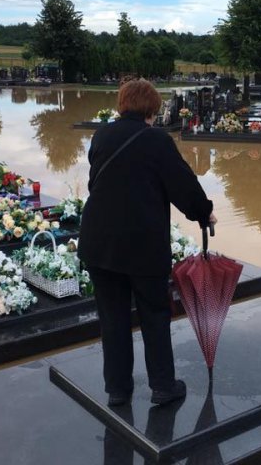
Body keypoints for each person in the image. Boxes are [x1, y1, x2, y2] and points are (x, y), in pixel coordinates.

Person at [78, 79, 216, 406]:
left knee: (112, 318)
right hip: (142, 246)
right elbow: (183, 185)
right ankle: (163, 386)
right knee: (154, 313)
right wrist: (204, 213)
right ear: (152, 108)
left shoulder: (101, 134)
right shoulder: (157, 141)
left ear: (121, 104)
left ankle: (118, 390)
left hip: (99, 242)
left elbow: (96, 179)